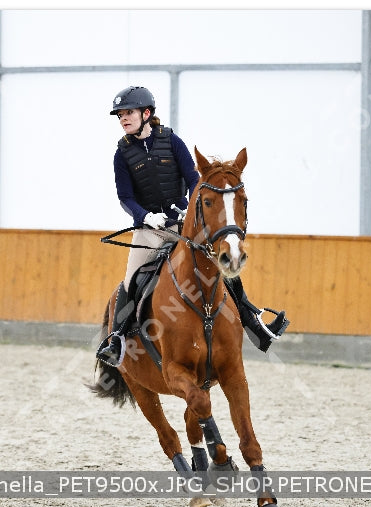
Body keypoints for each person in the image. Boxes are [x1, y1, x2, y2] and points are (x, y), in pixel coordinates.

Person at [96, 86, 289, 367]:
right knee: (131, 281)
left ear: (146, 113)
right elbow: (125, 197)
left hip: (181, 225)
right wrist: (145, 216)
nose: (123, 118)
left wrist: (189, 208)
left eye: (128, 113)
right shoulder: (122, 154)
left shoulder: (171, 141)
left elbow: (192, 178)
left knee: (219, 265)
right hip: (149, 230)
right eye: (120, 115)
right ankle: (116, 340)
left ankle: (254, 323)